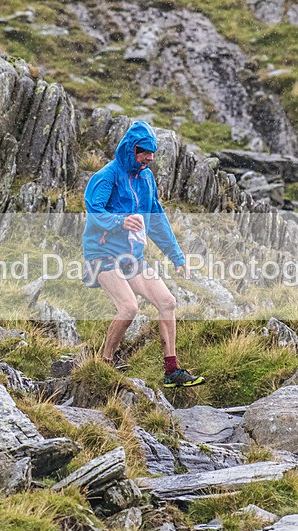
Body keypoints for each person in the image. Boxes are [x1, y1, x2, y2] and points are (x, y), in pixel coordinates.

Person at [82, 121, 205, 388]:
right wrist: (120, 221)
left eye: (152, 152)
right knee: (129, 308)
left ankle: (171, 372)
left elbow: (156, 218)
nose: (150, 157)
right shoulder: (107, 176)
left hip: (132, 256)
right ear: (131, 149)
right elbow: (94, 210)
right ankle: (104, 364)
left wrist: (176, 256)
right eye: (144, 152)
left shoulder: (146, 178)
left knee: (167, 302)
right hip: (101, 254)